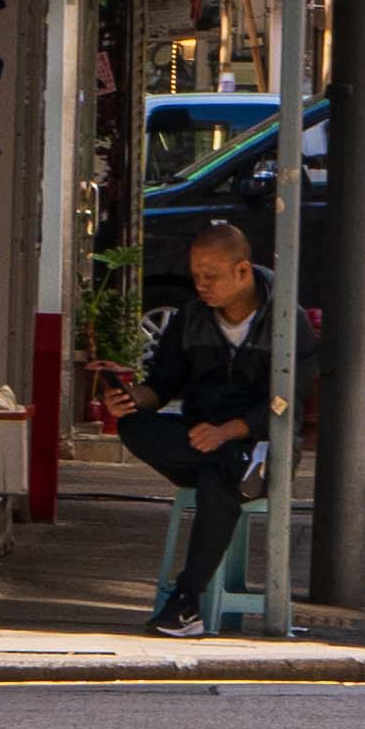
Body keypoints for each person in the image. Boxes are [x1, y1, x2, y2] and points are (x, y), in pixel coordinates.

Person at [121, 218, 273, 629]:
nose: (201, 286)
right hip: (202, 439)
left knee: (216, 476)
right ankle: (186, 607)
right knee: (134, 426)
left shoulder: (282, 318)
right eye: (196, 277)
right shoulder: (191, 317)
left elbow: (286, 403)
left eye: (211, 277)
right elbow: (163, 383)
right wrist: (133, 398)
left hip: (260, 446)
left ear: (242, 271)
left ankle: (187, 599)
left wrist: (232, 430)